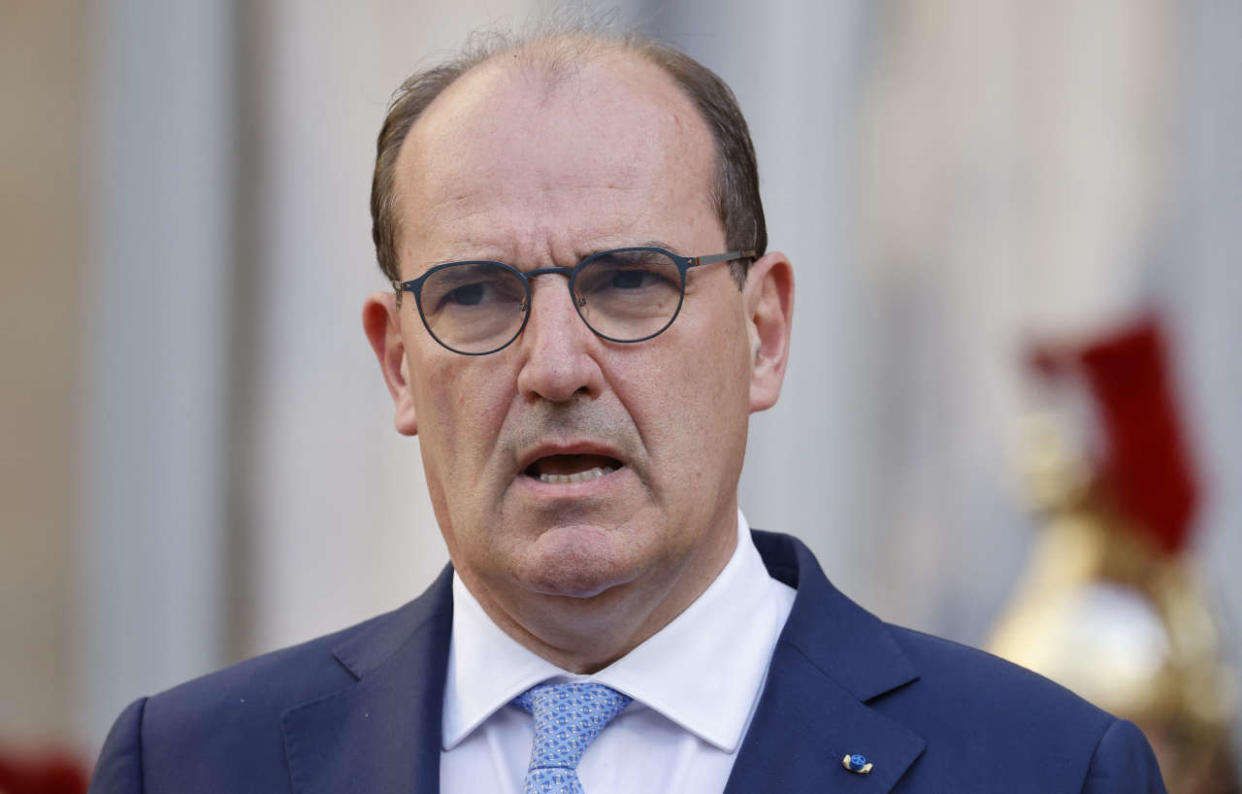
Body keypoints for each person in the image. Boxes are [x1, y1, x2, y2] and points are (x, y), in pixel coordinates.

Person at [88, 28, 1166, 794]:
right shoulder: (188, 764)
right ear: (397, 364)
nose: (556, 364)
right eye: (475, 292)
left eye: (630, 281)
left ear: (765, 331)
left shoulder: (1041, 769)